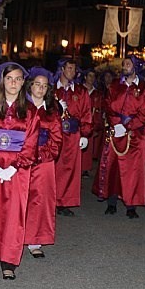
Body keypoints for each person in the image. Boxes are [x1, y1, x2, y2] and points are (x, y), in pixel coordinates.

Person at [0, 62, 40, 280]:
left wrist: (14, 166)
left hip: (18, 170)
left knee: (14, 213)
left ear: (23, 83)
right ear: (2, 80)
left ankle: (8, 259)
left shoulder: (30, 111)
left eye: (18, 79)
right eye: (10, 78)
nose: (13, 83)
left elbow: (31, 144)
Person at [92, 56, 145, 219]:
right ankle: (111, 202)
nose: (124, 66)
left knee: (132, 171)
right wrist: (116, 123)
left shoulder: (144, 88)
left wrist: (128, 126)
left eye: (128, 64)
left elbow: (144, 112)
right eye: (124, 64)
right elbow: (108, 105)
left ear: (135, 67)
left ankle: (130, 205)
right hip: (114, 133)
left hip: (134, 136)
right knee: (113, 167)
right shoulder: (114, 86)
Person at [24, 67, 63, 258]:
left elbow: (56, 141)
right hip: (21, 162)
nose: (40, 89)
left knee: (41, 201)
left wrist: (40, 155)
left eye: (44, 86)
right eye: (37, 84)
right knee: (19, 200)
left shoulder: (52, 113)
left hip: (43, 162)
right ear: (30, 86)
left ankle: (35, 240)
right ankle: (14, 237)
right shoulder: (20, 109)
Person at [53, 58, 92, 216]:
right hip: (55, 133)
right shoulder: (52, 90)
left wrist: (85, 133)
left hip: (73, 134)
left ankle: (64, 201)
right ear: (62, 69)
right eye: (69, 68)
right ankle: (50, 199)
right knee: (53, 167)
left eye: (74, 69)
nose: (72, 72)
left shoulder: (80, 91)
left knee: (69, 169)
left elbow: (86, 113)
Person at [80, 69, 103, 177]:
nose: (91, 78)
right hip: (80, 122)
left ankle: (85, 168)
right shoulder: (79, 90)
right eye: (89, 75)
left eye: (93, 76)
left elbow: (99, 109)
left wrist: (97, 124)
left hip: (91, 121)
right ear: (85, 77)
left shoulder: (97, 93)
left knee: (88, 146)